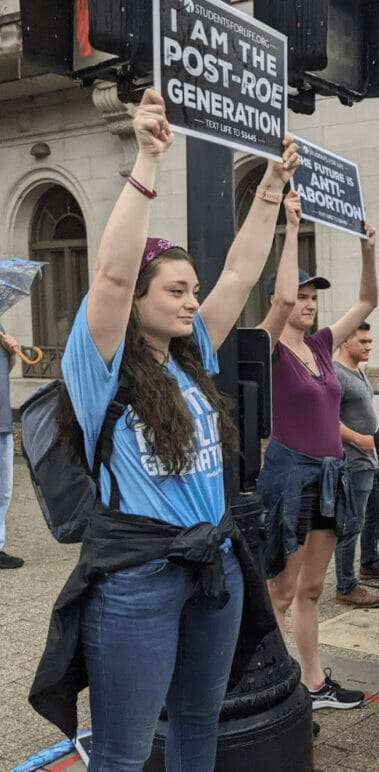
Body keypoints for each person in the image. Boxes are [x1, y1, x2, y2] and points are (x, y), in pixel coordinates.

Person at [34, 89, 284, 769]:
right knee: (122, 749)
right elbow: (112, 273)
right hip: (138, 577)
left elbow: (239, 274)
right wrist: (147, 159)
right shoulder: (100, 366)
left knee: (199, 720)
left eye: (190, 290)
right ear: (138, 300)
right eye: (174, 290)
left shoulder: (192, 355)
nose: (192, 301)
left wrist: (268, 195)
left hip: (215, 563)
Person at [256, 192, 379, 708]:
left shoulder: (324, 345)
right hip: (290, 477)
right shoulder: (267, 344)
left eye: (314, 296)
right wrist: (290, 226)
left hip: (331, 476)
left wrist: (368, 250)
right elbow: (281, 302)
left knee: (310, 590)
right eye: (301, 295)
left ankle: (312, 683)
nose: (307, 303)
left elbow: (368, 302)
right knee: (279, 593)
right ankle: (263, 682)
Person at [333, 321, 379, 606]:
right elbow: (328, 420)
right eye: (364, 342)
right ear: (346, 341)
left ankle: (370, 561)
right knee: (352, 522)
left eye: (370, 342)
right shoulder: (337, 374)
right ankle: (346, 586)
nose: (369, 346)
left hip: (368, 460)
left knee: (375, 512)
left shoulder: (357, 371)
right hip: (354, 462)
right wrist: (362, 441)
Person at [0, 326, 22, 569]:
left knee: (3, 490)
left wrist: (12, 352)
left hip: (4, 421)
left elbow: (5, 370)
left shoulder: (2, 329)